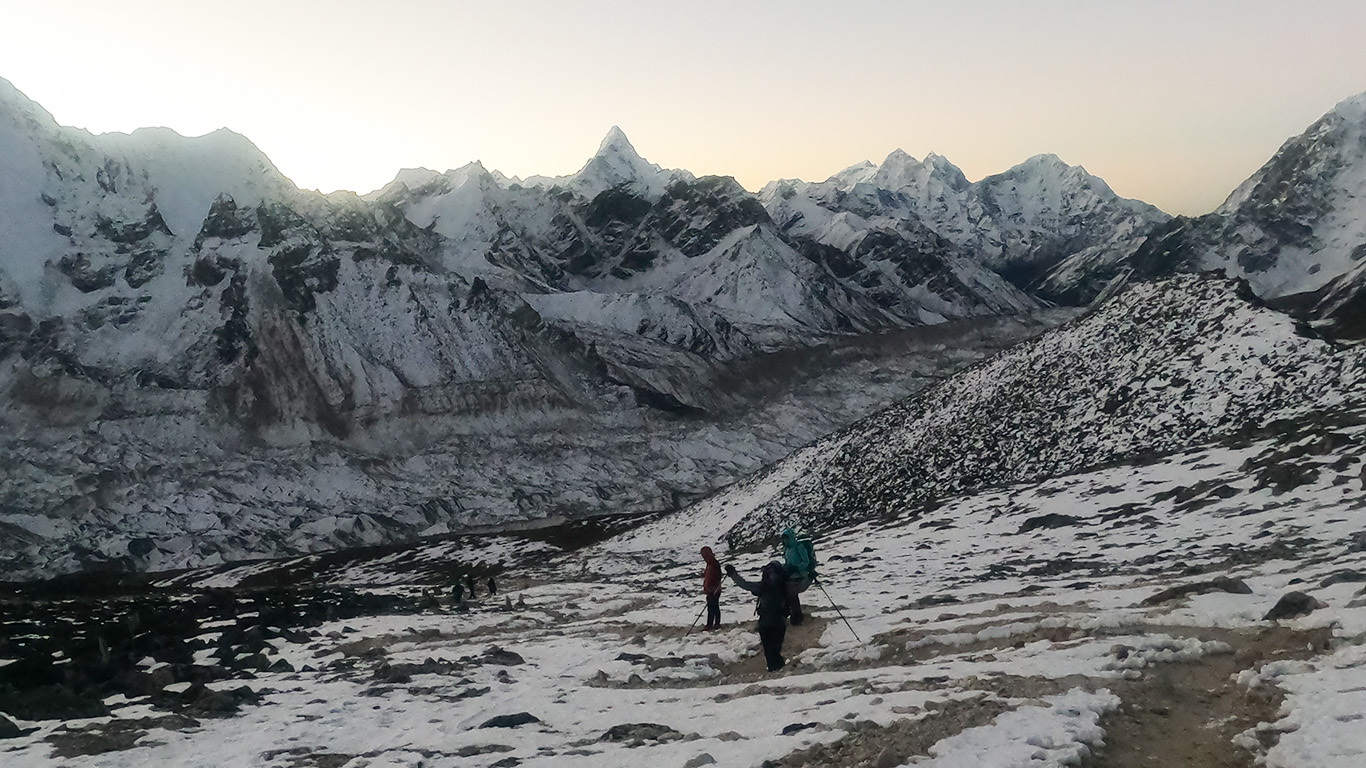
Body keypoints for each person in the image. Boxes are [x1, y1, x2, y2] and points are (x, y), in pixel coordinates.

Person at [725, 561, 791, 672]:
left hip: (764, 622)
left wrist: (733, 574)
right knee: (775, 649)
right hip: (779, 621)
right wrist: (810, 576)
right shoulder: (786, 586)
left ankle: (774, 670)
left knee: (768, 649)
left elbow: (745, 585)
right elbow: (801, 586)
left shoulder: (762, 587)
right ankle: (778, 671)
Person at [781, 528, 817, 625]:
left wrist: (796, 568)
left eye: (786, 538)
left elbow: (806, 561)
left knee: (790, 592)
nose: (785, 541)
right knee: (787, 591)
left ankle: (795, 615)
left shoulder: (799, 547)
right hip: (791, 574)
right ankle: (792, 613)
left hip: (800, 574)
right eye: (784, 539)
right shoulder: (787, 549)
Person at [701, 546, 723, 630]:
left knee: (712, 607)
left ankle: (712, 624)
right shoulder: (710, 563)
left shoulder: (713, 563)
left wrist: (714, 586)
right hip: (711, 589)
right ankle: (714, 624)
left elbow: (717, 576)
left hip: (714, 589)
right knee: (713, 607)